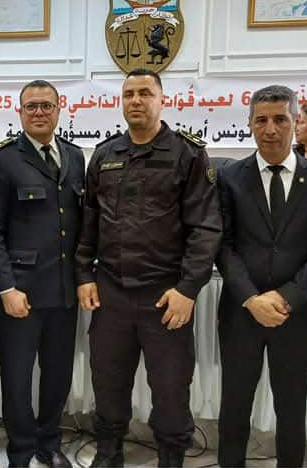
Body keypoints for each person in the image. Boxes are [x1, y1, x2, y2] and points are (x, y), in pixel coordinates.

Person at [75, 68, 222, 468]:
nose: (136, 101)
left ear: (162, 100)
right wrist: (84, 274)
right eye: (128, 94)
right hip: (111, 291)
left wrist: (188, 289)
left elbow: (206, 228)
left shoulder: (187, 154)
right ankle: (109, 451)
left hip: (165, 293)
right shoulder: (105, 155)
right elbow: (89, 222)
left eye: (145, 93)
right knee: (108, 378)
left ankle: (171, 456)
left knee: (171, 386)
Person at [215, 84, 307, 467]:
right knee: (234, 406)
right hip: (241, 313)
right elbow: (222, 246)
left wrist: (286, 297)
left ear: (295, 122)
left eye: (280, 120)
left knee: (291, 409)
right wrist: (252, 298)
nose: (270, 129)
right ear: (249, 124)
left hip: (296, 316)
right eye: (261, 120)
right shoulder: (229, 177)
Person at [0, 79, 84, 468]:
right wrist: (5, 288)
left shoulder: (75, 157)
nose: (39, 112)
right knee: (17, 378)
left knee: (57, 376)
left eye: (46, 105)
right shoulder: (1, 160)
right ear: (19, 112)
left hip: (63, 291)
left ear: (59, 109)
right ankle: (21, 449)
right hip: (19, 294)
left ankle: (49, 443)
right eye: (31, 106)